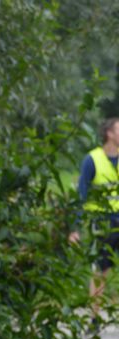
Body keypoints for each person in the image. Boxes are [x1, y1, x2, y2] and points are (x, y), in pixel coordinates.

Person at [73, 117, 119, 300]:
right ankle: (94, 320)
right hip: (102, 222)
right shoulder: (92, 160)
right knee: (101, 269)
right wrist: (75, 227)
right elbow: (81, 194)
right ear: (110, 134)